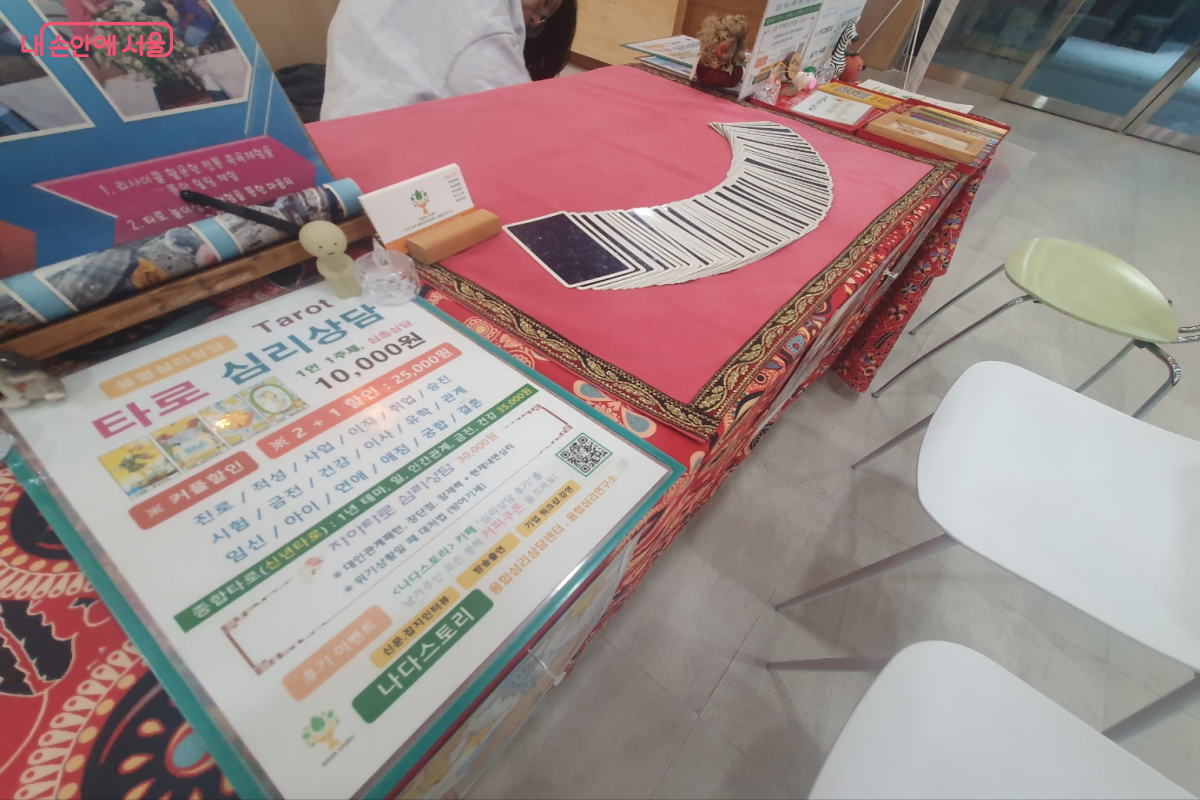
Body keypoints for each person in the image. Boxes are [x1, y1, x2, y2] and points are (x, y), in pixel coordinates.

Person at [321, 0, 576, 121]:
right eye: (545, 4)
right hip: (378, 180)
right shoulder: (482, 24)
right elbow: (518, 127)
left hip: (335, 137)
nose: (536, 20)